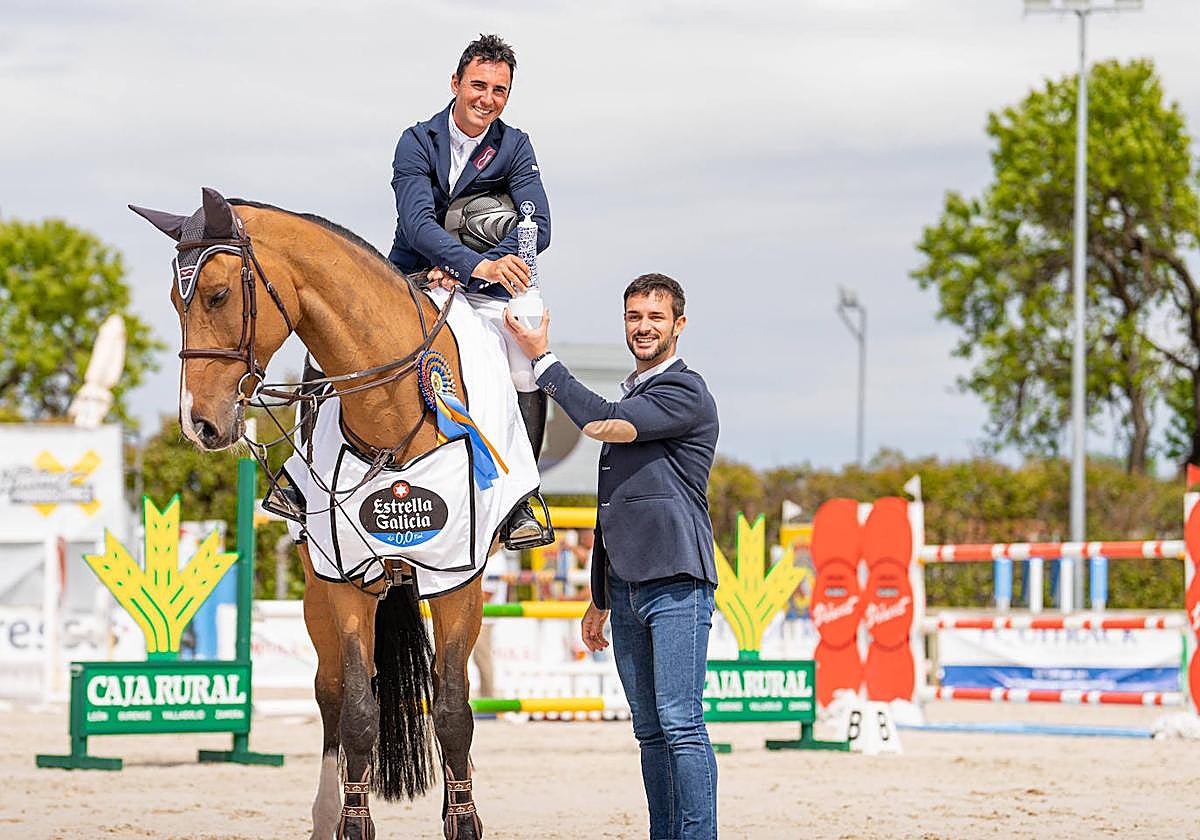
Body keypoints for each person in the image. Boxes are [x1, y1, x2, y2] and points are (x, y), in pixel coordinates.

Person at [504, 273, 721, 839]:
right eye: (634, 316)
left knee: (681, 723)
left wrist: (542, 360)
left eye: (655, 317)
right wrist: (600, 597)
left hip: (677, 580)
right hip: (624, 588)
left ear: (679, 325)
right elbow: (615, 506)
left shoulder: (685, 391)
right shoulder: (637, 393)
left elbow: (603, 425)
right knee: (649, 731)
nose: (643, 327)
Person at [388, 33, 553, 549]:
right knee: (337, 327)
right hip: (414, 277)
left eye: (500, 90)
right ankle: (299, 479)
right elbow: (417, 224)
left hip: (484, 289)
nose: (487, 99)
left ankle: (520, 500)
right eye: (478, 85)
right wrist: (470, 263)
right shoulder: (417, 141)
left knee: (526, 356)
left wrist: (478, 270)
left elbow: (538, 226)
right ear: (456, 83)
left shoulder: (515, 145)